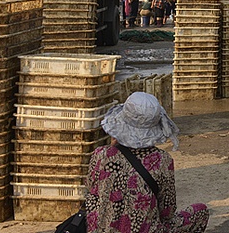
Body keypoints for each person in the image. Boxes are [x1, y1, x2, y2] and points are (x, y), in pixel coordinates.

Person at [85, 92, 209, 233]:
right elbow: (167, 212)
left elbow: (92, 193)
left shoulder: (101, 155)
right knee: (201, 211)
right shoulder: (162, 160)